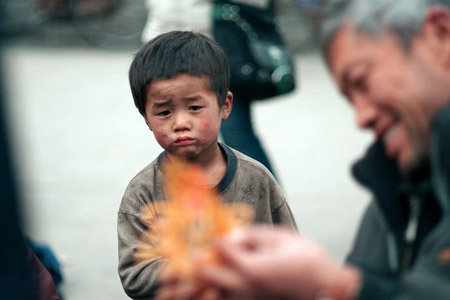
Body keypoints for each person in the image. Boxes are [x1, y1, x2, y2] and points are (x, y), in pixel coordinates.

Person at [192, 0, 450, 299]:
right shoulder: (393, 185)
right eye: (350, 98)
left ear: (440, 35)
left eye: (362, 81)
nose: (361, 117)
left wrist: (337, 285)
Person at [117, 31, 297, 299]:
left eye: (194, 107)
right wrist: (199, 266)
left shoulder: (256, 179)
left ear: (225, 105)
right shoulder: (143, 192)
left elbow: (291, 254)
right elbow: (135, 275)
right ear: (146, 118)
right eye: (164, 112)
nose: (180, 123)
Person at [140, 0, 293, 178]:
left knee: (237, 136)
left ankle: (266, 199)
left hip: (220, 51)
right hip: (165, 51)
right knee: (180, 144)